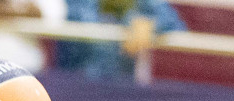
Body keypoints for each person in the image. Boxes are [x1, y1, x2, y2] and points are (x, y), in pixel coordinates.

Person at [56, 0, 184, 80]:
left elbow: (175, 24)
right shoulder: (78, 5)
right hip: (75, 86)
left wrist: (150, 24)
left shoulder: (146, 4)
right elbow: (61, 16)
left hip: (122, 92)